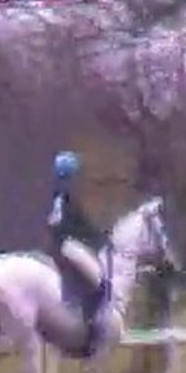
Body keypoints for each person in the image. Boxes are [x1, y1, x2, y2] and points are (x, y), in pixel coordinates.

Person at [46, 150, 110, 357]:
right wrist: (99, 237)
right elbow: (77, 225)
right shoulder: (65, 197)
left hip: (60, 244)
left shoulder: (57, 193)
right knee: (100, 284)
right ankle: (90, 333)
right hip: (68, 245)